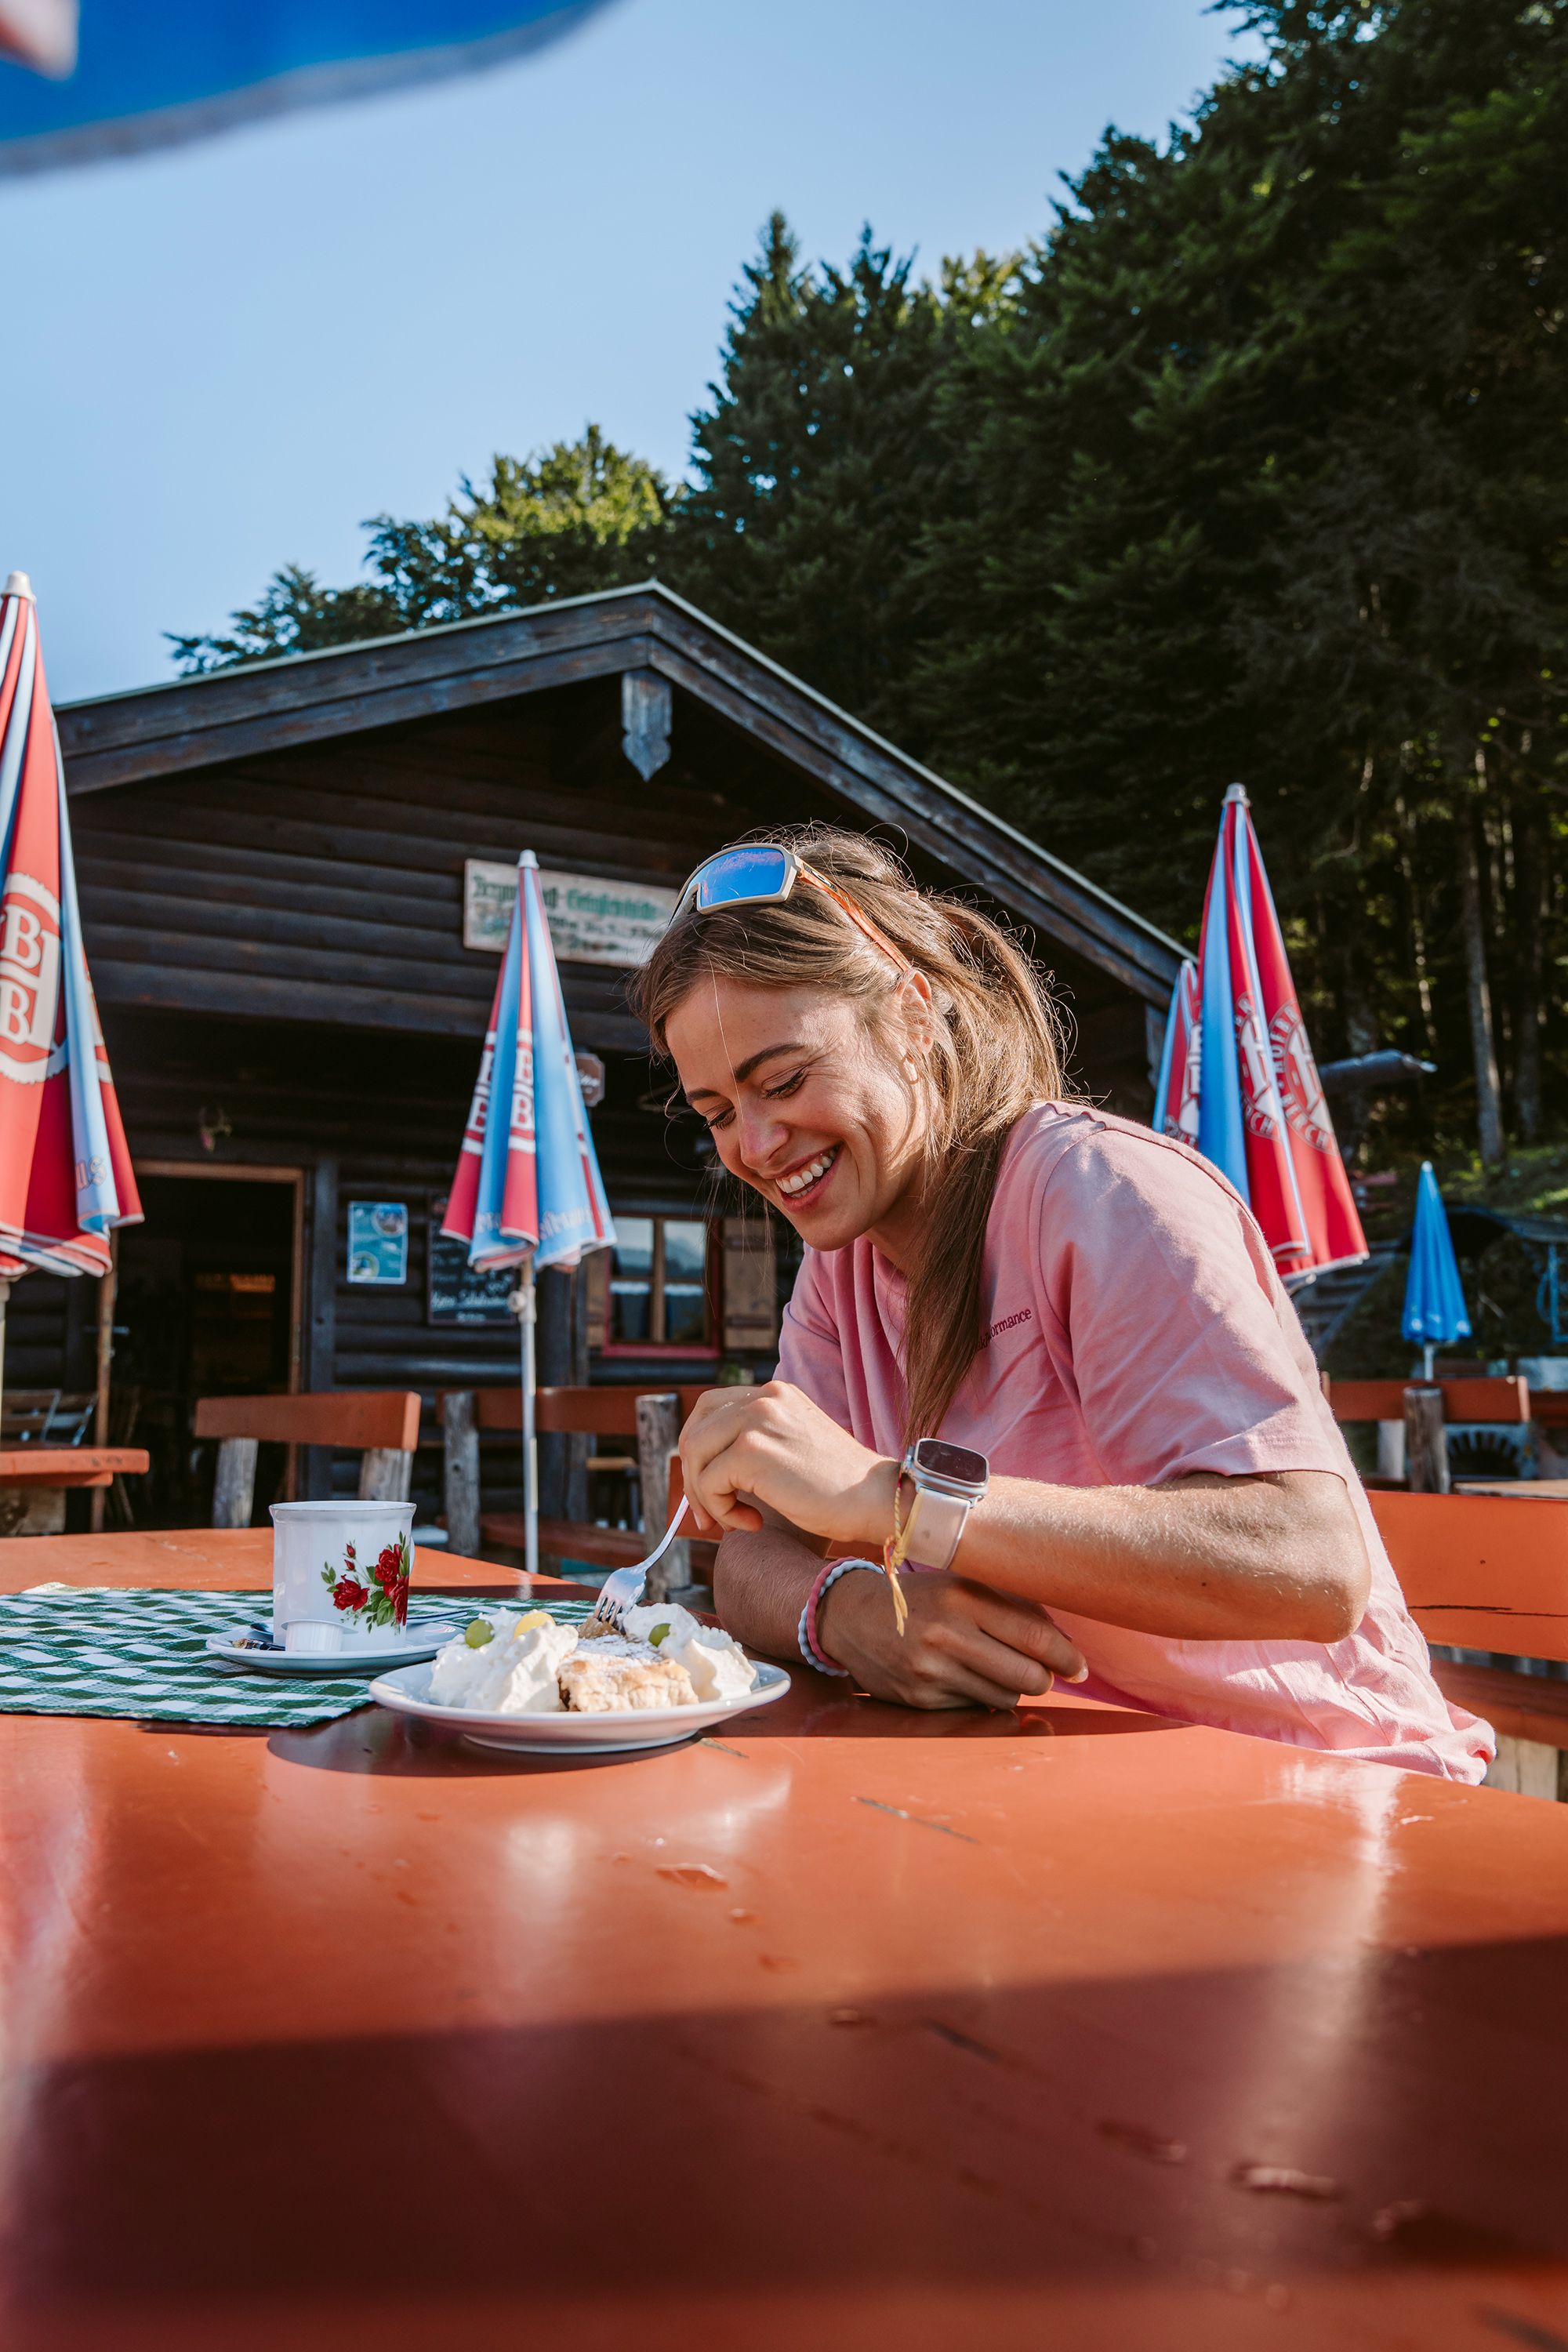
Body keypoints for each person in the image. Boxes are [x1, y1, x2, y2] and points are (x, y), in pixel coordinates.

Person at [632, 827, 1493, 1783]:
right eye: (717, 1114)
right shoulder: (842, 1268)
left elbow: (1311, 1564)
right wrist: (844, 1611)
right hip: (1061, 1782)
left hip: (1330, 1783)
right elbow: (751, 1558)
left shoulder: (1104, 1193)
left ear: (911, 1018)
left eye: (784, 1080)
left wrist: (895, 1503)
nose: (753, 1146)